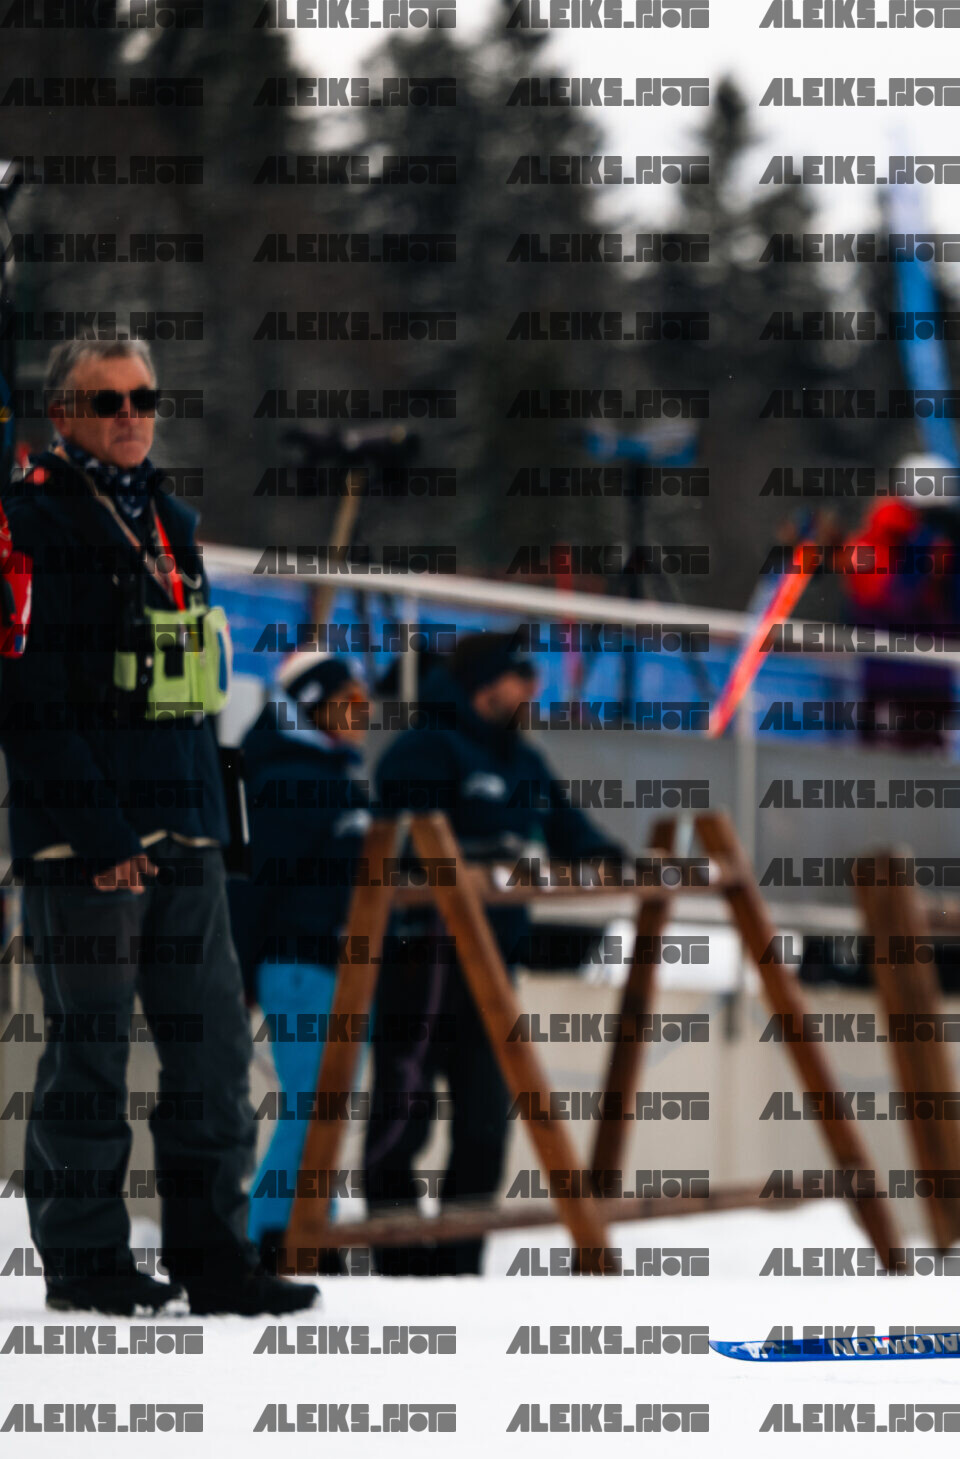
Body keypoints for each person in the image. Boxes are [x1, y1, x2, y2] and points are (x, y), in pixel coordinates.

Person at [0, 336, 315, 1315]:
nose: (130, 415)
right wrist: (100, 838)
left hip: (187, 825)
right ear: (63, 414)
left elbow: (193, 686)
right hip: (86, 843)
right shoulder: (29, 519)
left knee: (215, 1053)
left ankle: (216, 1260)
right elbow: (25, 701)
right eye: (106, 401)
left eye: (144, 396)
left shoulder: (171, 522)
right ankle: (86, 1260)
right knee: (91, 1052)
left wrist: (220, 825)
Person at [363, 627, 622, 1274]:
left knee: (485, 1122)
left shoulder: (521, 759)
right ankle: (397, 1263)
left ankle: (459, 1263)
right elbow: (404, 842)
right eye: (522, 676)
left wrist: (602, 855)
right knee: (403, 1116)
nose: (534, 689)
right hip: (423, 961)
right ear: (485, 685)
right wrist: (482, 860)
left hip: (494, 966)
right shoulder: (424, 747)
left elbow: (567, 827)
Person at [228, 652, 375, 1271]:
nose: (364, 713)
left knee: (328, 1106)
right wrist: (238, 976)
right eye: (351, 701)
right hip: (297, 965)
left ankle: (312, 1227)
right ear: (314, 705)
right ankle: (270, 1234)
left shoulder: (338, 778)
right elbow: (251, 887)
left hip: (341, 970)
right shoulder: (285, 781)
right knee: (312, 1104)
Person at [834, 454, 960, 749]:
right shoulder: (872, 544)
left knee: (930, 768)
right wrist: (920, 548)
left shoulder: (941, 546)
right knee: (882, 766)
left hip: (935, 686)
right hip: (887, 682)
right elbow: (891, 602)